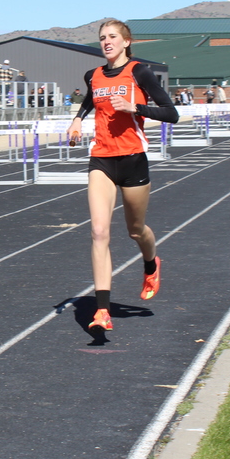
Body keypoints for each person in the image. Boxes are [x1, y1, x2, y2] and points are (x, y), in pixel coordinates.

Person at [67, 19, 179, 331]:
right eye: (102, 38)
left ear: (126, 41)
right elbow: (91, 97)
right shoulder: (94, 75)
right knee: (99, 232)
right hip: (101, 158)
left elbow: (172, 113)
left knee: (136, 229)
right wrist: (77, 119)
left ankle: (150, 262)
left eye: (112, 37)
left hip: (133, 160)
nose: (106, 42)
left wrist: (135, 107)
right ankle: (102, 310)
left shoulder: (139, 72)